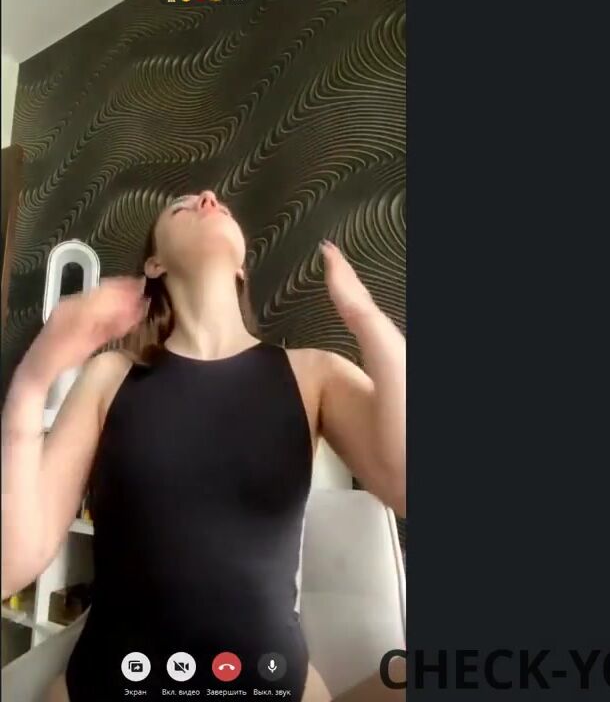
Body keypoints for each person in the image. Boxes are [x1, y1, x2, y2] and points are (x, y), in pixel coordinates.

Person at [0, 191, 406, 701]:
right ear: (155, 264)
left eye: (220, 205)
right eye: (181, 205)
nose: (210, 197)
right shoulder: (110, 376)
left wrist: (365, 317)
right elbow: (12, 564)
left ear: (241, 268)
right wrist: (36, 375)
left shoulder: (314, 374)